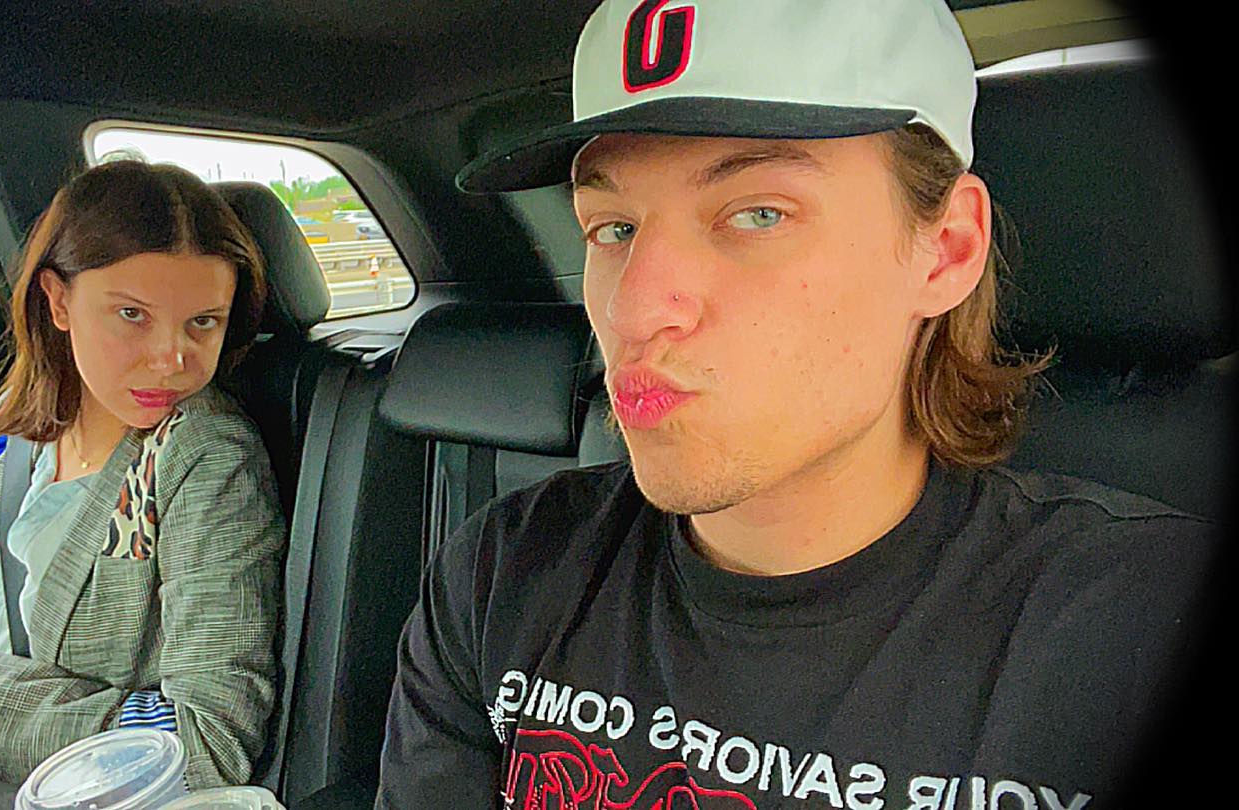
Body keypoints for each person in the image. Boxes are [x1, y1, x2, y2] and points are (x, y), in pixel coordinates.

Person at [375, 1, 1218, 808]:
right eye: (614, 229)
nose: (631, 312)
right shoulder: (504, 574)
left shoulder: (1142, 626)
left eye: (758, 214)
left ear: (945, 251)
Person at [0, 160, 286, 808]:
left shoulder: (204, 458)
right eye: (132, 314)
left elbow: (205, 746)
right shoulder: (24, 431)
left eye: (203, 321)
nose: (171, 360)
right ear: (58, 302)